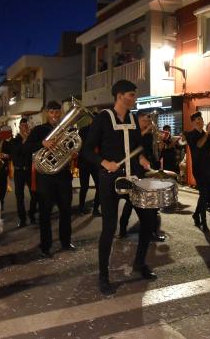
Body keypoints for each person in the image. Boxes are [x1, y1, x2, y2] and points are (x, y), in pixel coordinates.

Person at [83, 80, 154, 295]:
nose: (134, 98)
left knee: (149, 220)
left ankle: (139, 263)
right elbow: (86, 150)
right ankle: (103, 275)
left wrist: (141, 158)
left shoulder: (133, 118)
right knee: (109, 228)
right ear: (120, 95)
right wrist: (104, 162)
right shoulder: (103, 119)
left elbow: (136, 146)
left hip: (134, 179)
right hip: (110, 181)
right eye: (131, 95)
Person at [26, 101, 75, 258]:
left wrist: (73, 153)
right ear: (46, 113)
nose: (54, 116)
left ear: (61, 113)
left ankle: (66, 242)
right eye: (51, 113)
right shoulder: (39, 130)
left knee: (66, 211)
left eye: (57, 113)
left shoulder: (68, 130)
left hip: (63, 176)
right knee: (45, 213)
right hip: (45, 178)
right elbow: (25, 148)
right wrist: (42, 143)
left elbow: (74, 146)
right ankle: (45, 246)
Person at [118, 111, 165, 242]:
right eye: (145, 120)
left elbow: (154, 153)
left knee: (153, 202)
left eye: (149, 121)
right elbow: (131, 146)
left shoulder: (149, 134)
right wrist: (147, 130)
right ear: (138, 120)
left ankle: (153, 231)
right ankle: (122, 230)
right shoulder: (132, 132)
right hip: (136, 171)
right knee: (131, 202)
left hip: (149, 170)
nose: (148, 123)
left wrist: (159, 144)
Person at [184, 113, 210, 231]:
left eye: (201, 119)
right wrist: (208, 133)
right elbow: (198, 145)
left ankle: (195, 215)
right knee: (203, 194)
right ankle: (203, 221)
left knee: (204, 195)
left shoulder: (207, 135)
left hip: (209, 168)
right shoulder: (190, 134)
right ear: (193, 122)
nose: (200, 121)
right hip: (199, 169)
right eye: (198, 119)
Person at [9, 118, 38, 226]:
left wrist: (30, 140)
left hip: (30, 170)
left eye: (27, 126)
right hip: (19, 171)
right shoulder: (14, 140)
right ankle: (22, 219)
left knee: (34, 195)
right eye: (23, 126)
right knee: (19, 197)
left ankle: (32, 214)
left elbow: (34, 150)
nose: (25, 128)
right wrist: (25, 141)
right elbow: (15, 153)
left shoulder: (32, 140)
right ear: (19, 127)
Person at [77, 120, 100, 216]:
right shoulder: (83, 130)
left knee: (99, 186)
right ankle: (81, 208)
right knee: (84, 187)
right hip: (85, 162)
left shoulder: (99, 130)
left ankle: (95, 209)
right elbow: (80, 146)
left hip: (94, 162)